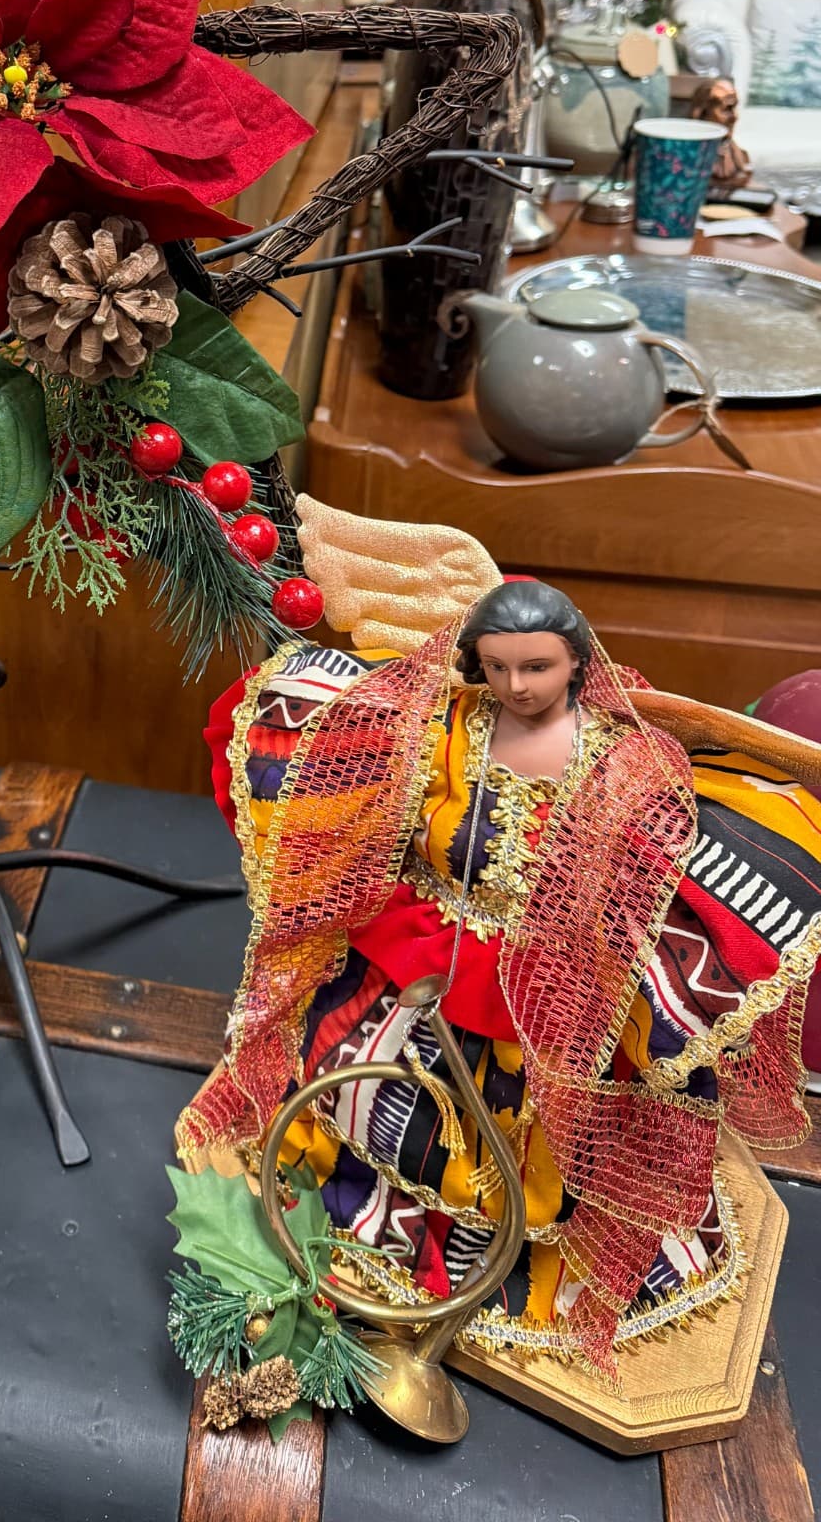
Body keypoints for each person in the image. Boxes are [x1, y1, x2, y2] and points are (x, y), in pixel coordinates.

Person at [178, 577, 821, 1374]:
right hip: (412, 974)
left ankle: (506, 1260)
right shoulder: (441, 723)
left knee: (539, 1151)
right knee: (363, 1094)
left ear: (577, 663)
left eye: (538, 668)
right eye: (499, 667)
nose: (518, 686)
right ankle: (375, 1214)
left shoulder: (626, 762)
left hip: (553, 1009)